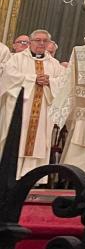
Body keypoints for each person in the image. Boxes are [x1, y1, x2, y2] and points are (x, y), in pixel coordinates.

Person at [0, 30, 71, 175]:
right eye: (38, 40)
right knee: (16, 139)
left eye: (45, 41)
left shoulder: (54, 64)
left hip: (43, 112)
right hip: (20, 109)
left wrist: (50, 81)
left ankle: (34, 177)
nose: (41, 43)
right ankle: (8, 174)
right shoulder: (17, 59)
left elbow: (65, 82)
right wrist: (34, 79)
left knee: (38, 143)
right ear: (30, 42)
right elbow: (9, 77)